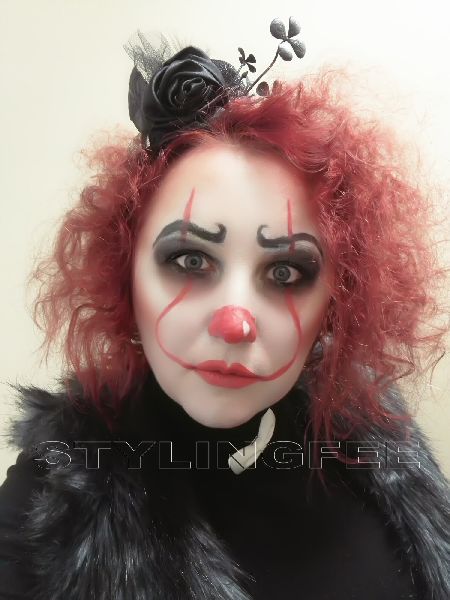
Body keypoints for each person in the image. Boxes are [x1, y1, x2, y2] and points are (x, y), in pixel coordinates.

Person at [0, 17, 449, 600]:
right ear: (124, 272)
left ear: (337, 300)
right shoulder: (52, 497)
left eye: (285, 272)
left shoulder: (381, 440)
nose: (235, 322)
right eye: (190, 260)